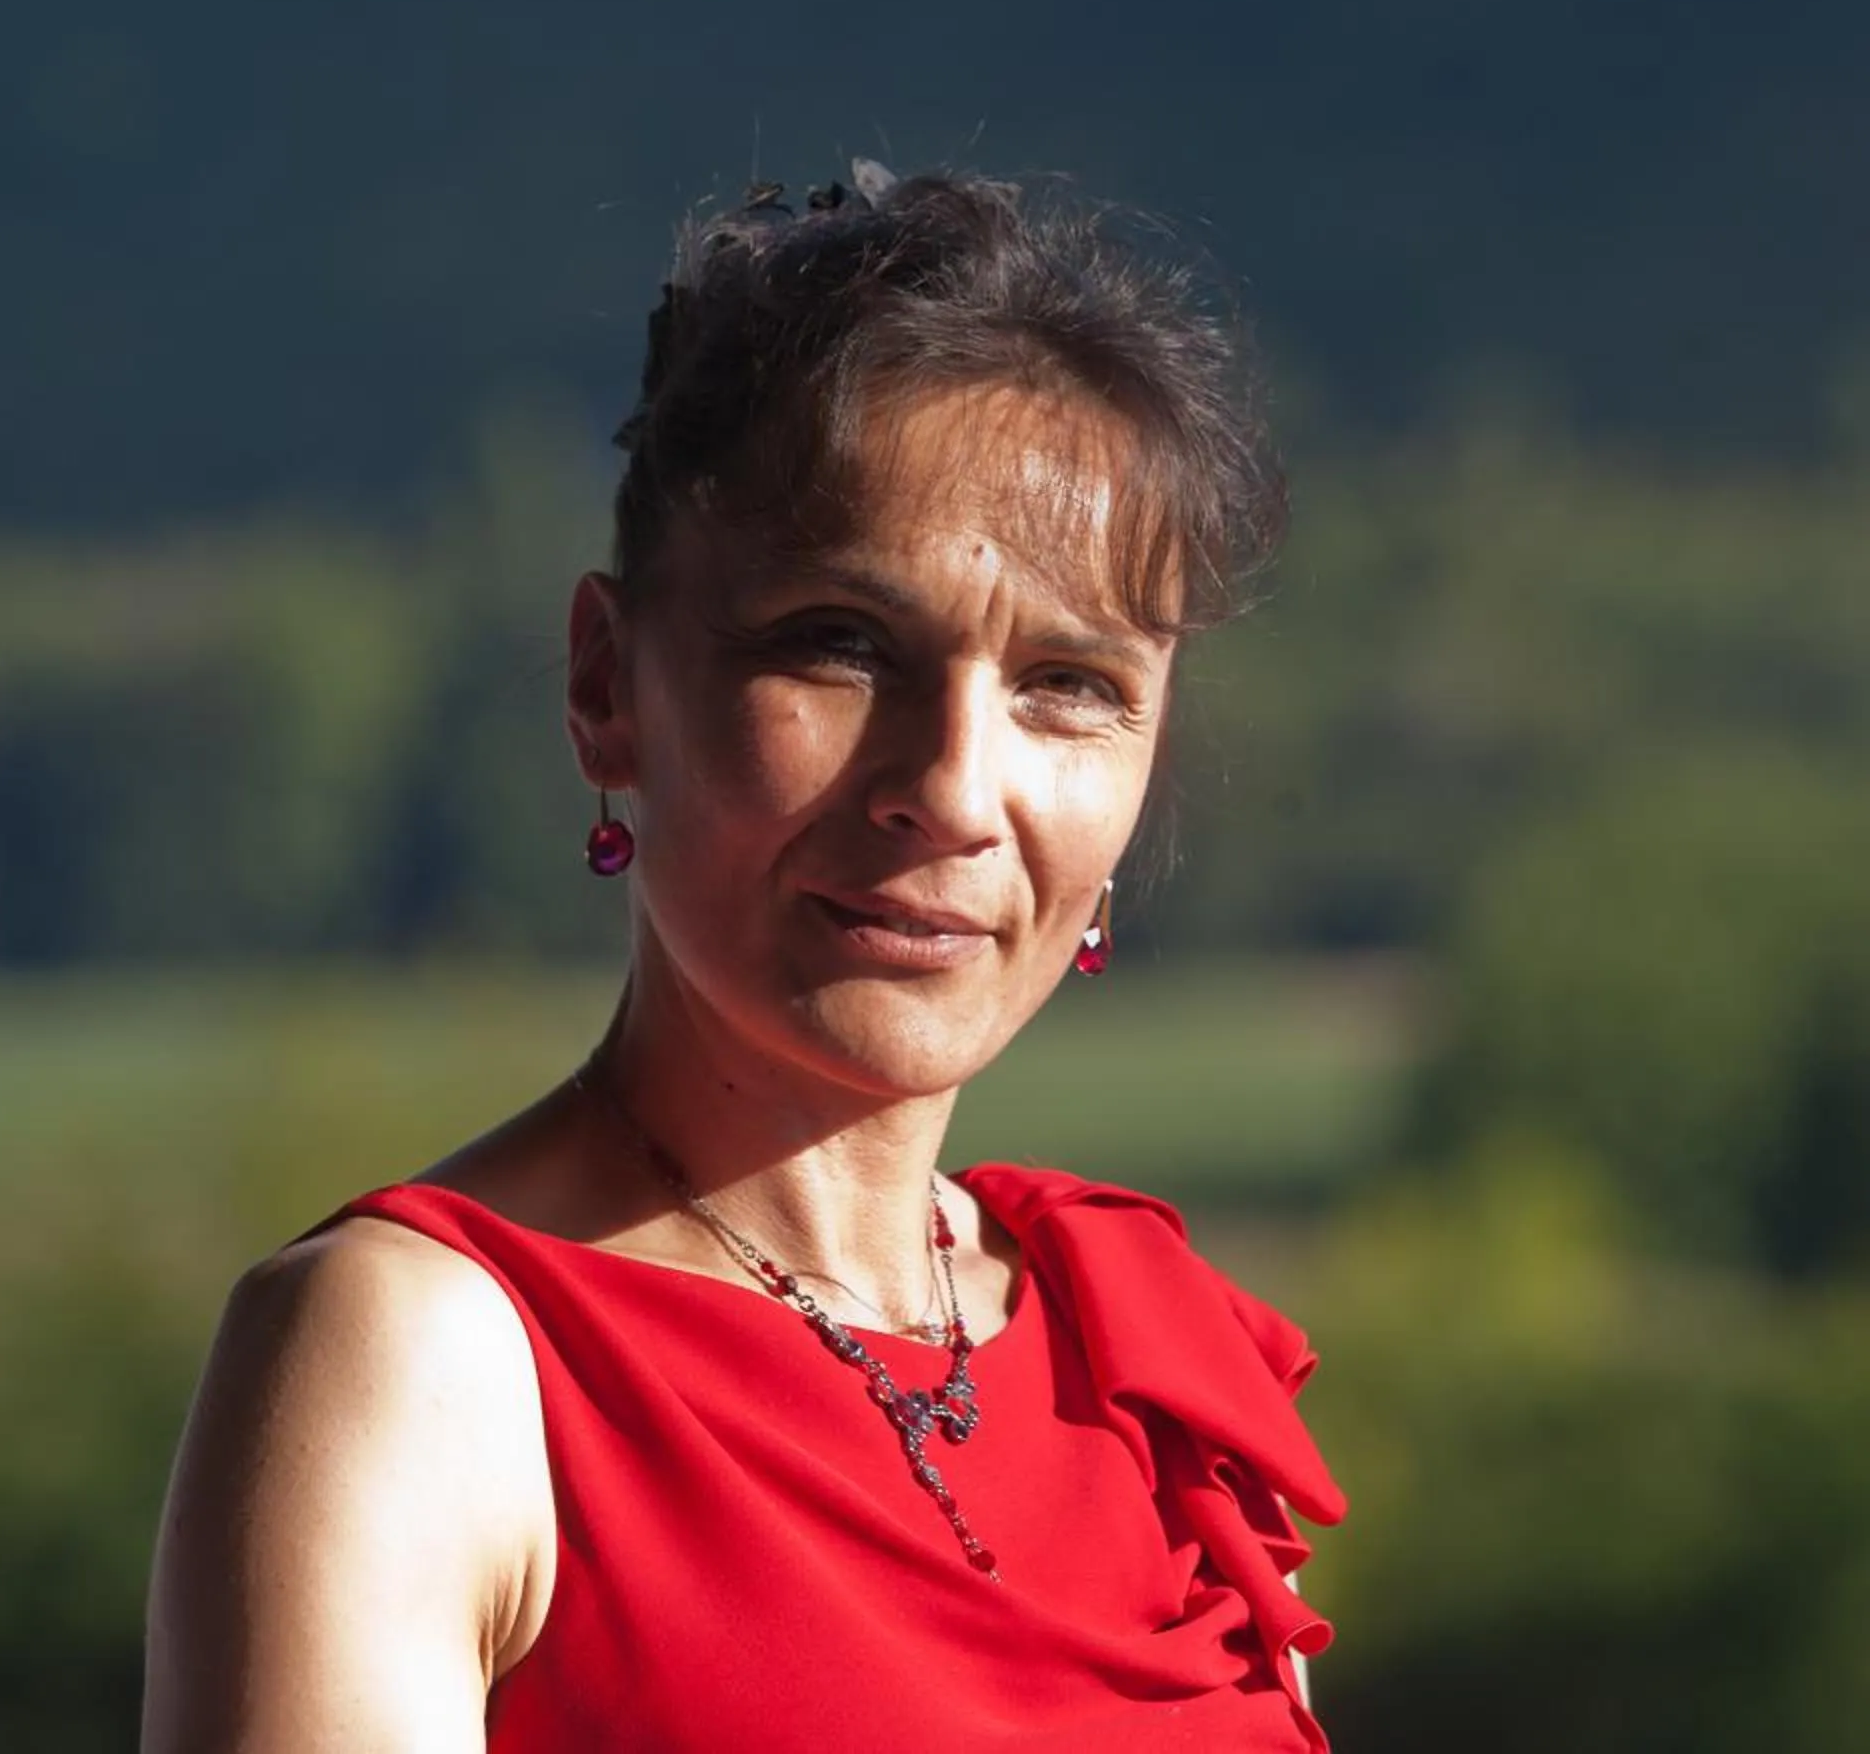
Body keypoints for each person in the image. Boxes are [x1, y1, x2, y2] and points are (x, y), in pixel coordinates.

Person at [142, 164, 1347, 1753]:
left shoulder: (1153, 1371)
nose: (955, 789)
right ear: (605, 688)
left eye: (1069, 685)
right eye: (840, 646)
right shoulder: (420, 1364)